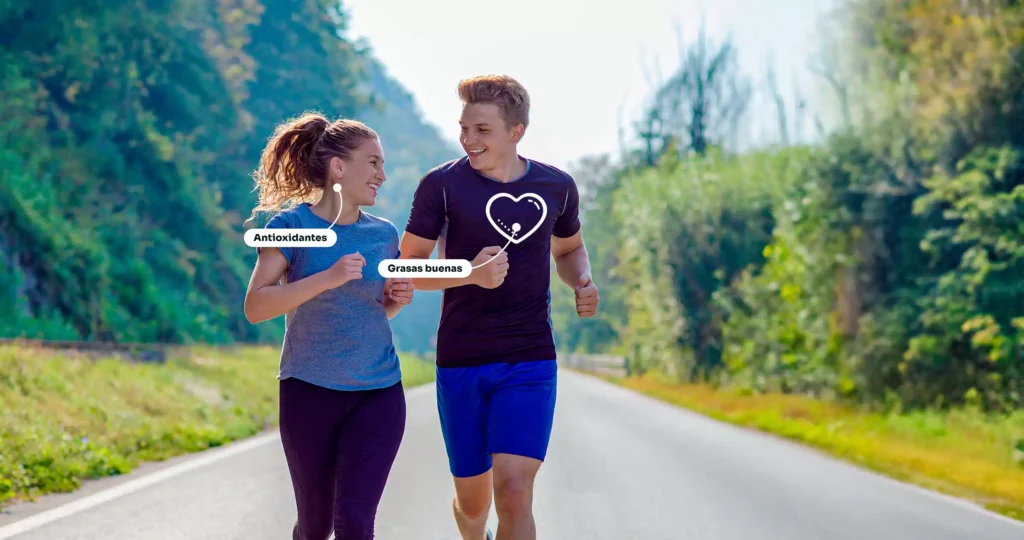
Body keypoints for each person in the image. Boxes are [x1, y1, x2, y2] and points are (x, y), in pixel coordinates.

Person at [400, 75, 600, 540]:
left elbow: (569, 251)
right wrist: (469, 273)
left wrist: (582, 280)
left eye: (482, 130)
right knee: (473, 506)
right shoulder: (442, 186)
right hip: (462, 359)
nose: (468, 139)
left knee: (514, 490)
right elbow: (404, 270)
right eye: (464, 128)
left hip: (529, 358)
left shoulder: (557, 187)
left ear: (516, 131)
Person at [243, 112, 414, 540]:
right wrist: (329, 277)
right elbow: (256, 306)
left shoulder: (384, 235)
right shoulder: (291, 227)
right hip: (309, 391)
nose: (382, 174)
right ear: (339, 166)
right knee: (316, 527)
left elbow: (368, 313)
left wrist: (392, 302)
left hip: (378, 392)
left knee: (355, 523)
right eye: (373, 163)